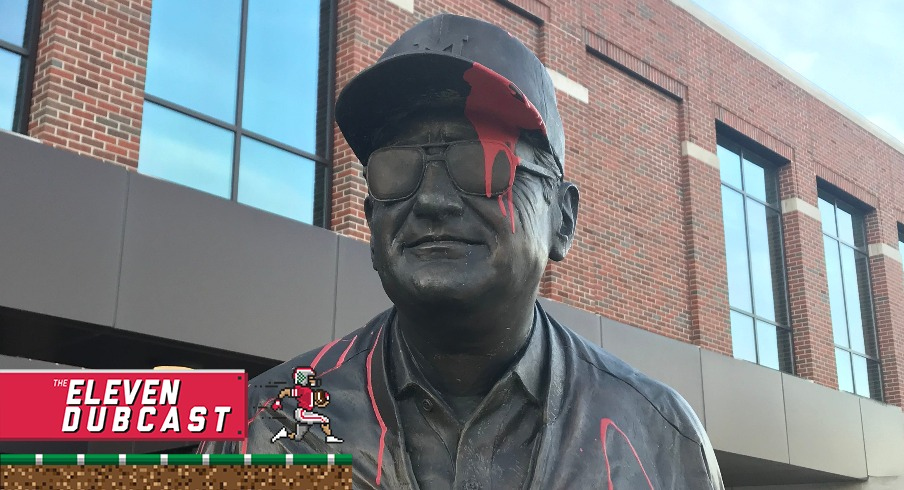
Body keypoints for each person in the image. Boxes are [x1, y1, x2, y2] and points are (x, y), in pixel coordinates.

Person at [201, 14, 724, 490]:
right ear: (370, 216)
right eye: (397, 168)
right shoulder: (262, 422)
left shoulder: (658, 438)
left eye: (482, 162)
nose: (430, 199)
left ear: (562, 219)